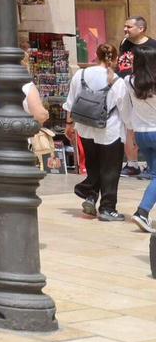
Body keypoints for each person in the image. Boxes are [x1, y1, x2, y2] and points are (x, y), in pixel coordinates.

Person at [0, 63, 52, 240]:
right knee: (15, 182)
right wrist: (44, 114)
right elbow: (39, 114)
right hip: (19, 139)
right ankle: (1, 222)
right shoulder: (26, 86)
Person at [66, 50, 130, 222]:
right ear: (115, 59)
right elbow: (124, 110)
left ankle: (91, 196)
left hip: (85, 127)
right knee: (110, 169)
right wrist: (131, 129)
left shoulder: (80, 74)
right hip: (110, 129)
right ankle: (107, 208)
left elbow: (71, 102)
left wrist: (69, 124)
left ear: (96, 55)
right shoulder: (117, 81)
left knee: (92, 164)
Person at [119, 46, 156, 232]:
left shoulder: (129, 80)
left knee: (155, 175)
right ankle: (142, 212)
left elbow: (127, 107)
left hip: (141, 133)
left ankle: (144, 211)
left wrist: (130, 130)